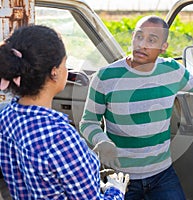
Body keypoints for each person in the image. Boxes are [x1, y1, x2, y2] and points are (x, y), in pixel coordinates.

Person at [80, 15, 193, 200]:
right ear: (132, 37)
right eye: (138, 36)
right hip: (120, 179)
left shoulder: (172, 70)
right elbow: (88, 121)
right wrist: (102, 140)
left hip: (162, 175)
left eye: (152, 40)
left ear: (164, 47)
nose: (142, 44)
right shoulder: (105, 77)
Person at [0, 25, 129, 199]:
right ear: (54, 72)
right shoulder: (60, 137)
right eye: (65, 63)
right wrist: (116, 190)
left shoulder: (7, 117)